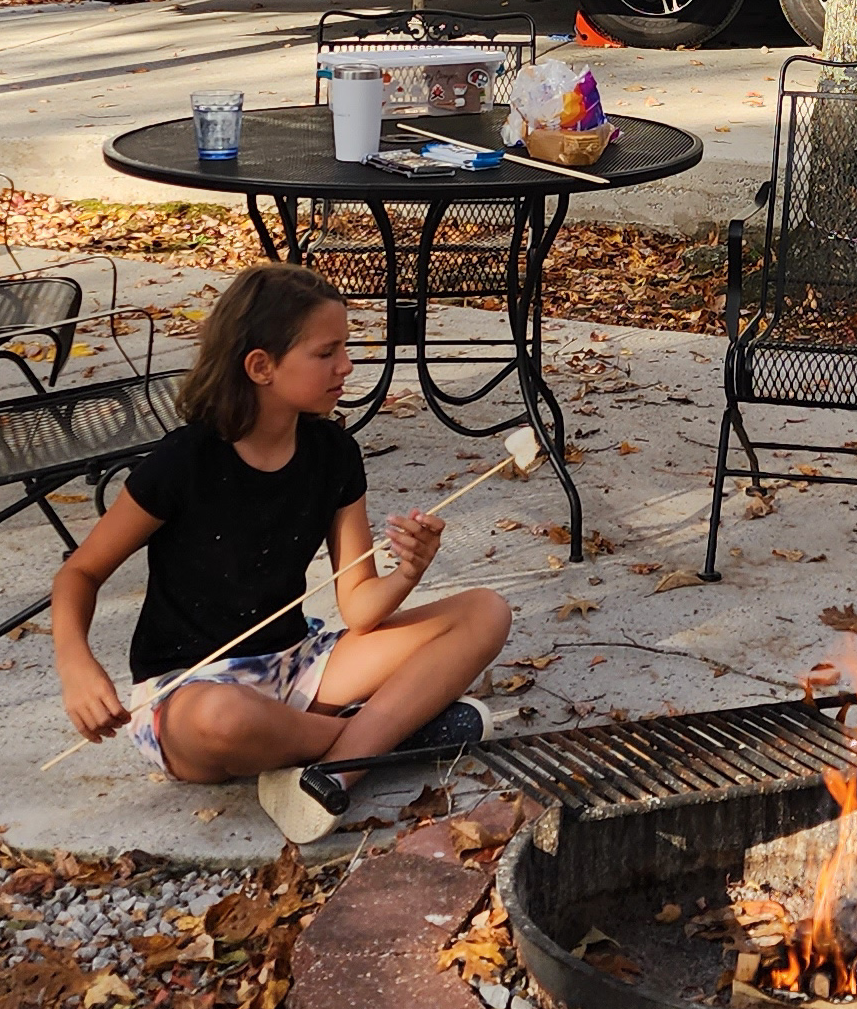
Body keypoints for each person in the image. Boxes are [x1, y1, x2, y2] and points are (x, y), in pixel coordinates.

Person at [46, 262, 512, 842]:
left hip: (298, 666)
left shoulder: (333, 452)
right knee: (225, 718)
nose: (346, 365)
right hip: (191, 693)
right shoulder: (185, 461)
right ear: (261, 366)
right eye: (326, 352)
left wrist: (408, 571)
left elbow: (359, 607)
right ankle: (389, 738)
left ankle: (333, 772)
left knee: (485, 611)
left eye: (345, 348)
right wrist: (75, 663)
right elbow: (80, 572)